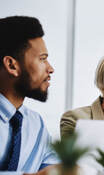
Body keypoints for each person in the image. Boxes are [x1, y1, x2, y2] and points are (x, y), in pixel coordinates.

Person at [0, 16, 58, 174]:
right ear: (12, 65)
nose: (50, 69)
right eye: (42, 59)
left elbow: (52, 168)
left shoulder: (35, 124)